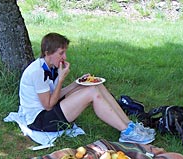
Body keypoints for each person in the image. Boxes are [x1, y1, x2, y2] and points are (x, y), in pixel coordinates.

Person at [18, 32, 155, 144]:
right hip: (40, 121)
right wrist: (61, 79)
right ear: (47, 53)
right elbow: (48, 105)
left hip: (49, 109)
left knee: (95, 85)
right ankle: (126, 133)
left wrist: (77, 83)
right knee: (91, 92)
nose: (64, 57)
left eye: (65, 52)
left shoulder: (50, 66)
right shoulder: (37, 71)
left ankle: (130, 126)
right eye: (61, 53)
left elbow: (56, 95)